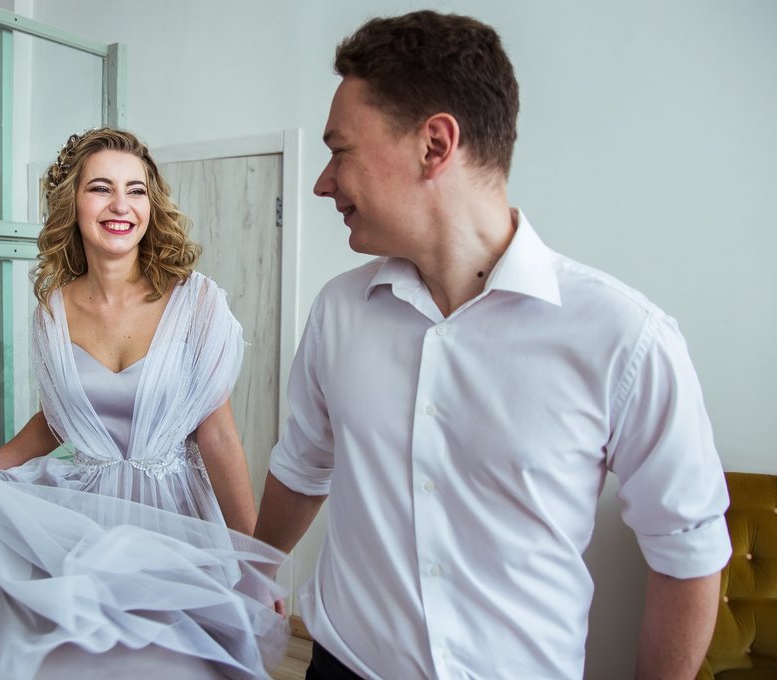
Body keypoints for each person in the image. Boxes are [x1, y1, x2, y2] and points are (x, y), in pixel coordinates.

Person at [253, 10, 730, 680]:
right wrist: (248, 578)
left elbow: (686, 554)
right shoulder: (338, 311)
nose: (322, 182)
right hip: (341, 666)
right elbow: (303, 468)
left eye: (340, 150)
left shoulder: (625, 339)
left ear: (434, 144)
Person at [0, 128, 287, 680]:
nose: (121, 205)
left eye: (136, 190)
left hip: (176, 519)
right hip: (88, 523)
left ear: (152, 205)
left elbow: (218, 435)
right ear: (72, 204)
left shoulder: (196, 302)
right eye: (101, 188)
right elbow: (59, 418)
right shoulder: (51, 311)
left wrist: (256, 560)